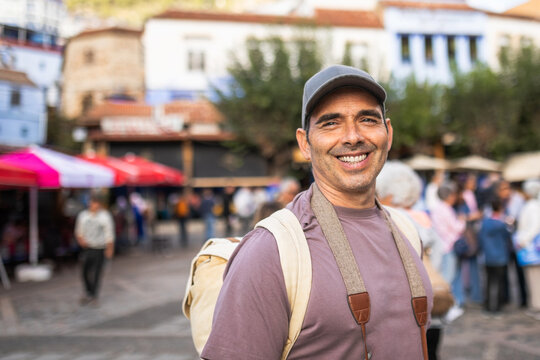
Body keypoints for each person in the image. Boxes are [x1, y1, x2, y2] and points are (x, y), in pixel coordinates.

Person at [202, 65, 432, 359]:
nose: (352, 136)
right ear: (305, 143)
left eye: (367, 119)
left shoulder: (406, 230)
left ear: (387, 132)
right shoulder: (272, 250)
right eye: (330, 123)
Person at [376, 161, 446, 360]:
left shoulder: (386, 221)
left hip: (400, 316)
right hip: (432, 309)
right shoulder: (425, 220)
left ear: (387, 194)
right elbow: (442, 262)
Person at [430, 180, 466, 321]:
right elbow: (456, 227)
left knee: (448, 276)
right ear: (449, 195)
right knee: (448, 277)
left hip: (442, 246)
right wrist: (462, 221)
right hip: (449, 246)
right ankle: (447, 307)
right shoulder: (446, 209)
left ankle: (451, 305)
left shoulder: (437, 208)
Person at [75, 192, 115, 306]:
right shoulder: (83, 216)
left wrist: (109, 248)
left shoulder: (105, 216)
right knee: (84, 272)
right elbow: (79, 232)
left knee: (97, 273)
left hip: (99, 248)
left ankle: (94, 295)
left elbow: (109, 233)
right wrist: (81, 240)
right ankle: (88, 292)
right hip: (87, 248)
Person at [478, 198, 512, 315]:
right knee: (500, 283)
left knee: (488, 282)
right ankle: (497, 307)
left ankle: (487, 307)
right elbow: (508, 236)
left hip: (488, 257)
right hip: (501, 257)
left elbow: (480, 239)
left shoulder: (485, 222)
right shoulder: (502, 224)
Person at [514, 179, 540, 318]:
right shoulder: (532, 205)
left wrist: (523, 240)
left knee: (535, 279)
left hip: (532, 249)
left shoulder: (533, 206)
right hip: (531, 247)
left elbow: (535, 226)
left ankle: (537, 306)